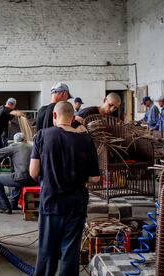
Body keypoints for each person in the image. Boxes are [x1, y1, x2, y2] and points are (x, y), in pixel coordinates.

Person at [30, 101, 100, 276]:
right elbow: (95, 178)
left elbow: (33, 172)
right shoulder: (86, 140)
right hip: (76, 204)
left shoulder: (43, 135)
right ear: (72, 117)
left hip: (51, 202)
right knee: (70, 252)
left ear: (55, 116)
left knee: (47, 251)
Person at [0, 132, 36, 214]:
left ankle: (4, 207)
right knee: (18, 177)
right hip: (34, 180)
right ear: (25, 140)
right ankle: (13, 204)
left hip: (22, 178)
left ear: (15, 141)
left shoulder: (14, 146)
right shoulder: (32, 147)